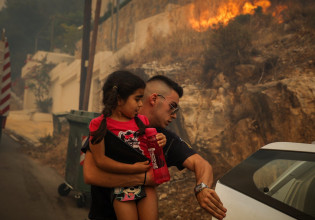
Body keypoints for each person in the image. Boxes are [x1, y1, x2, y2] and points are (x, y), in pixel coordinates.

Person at [83, 74, 227, 220]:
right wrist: (145, 178)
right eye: (173, 107)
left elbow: (201, 164)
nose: (174, 115)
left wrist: (201, 188)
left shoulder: (164, 138)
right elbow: (90, 174)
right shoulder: (111, 125)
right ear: (153, 99)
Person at [87, 71, 168, 220]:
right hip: (122, 185)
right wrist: (132, 169)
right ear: (119, 99)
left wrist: (160, 140)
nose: (140, 104)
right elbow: (101, 161)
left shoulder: (142, 121)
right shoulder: (99, 125)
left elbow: (149, 149)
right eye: (137, 99)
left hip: (146, 185)